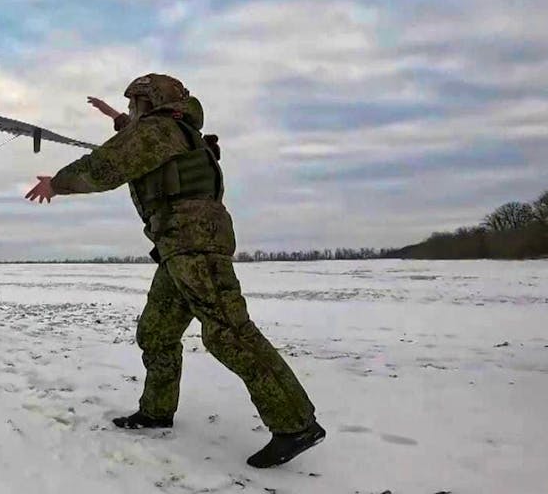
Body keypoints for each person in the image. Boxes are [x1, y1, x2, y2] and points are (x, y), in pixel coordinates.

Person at [25, 74, 325, 468]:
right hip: (177, 245)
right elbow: (136, 140)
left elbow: (108, 165)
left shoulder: (158, 131)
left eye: (134, 105)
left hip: (193, 242)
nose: (131, 112)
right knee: (157, 332)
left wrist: (58, 183)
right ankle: (156, 411)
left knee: (229, 332)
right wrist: (116, 117)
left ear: (150, 104)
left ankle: (296, 424)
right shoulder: (172, 130)